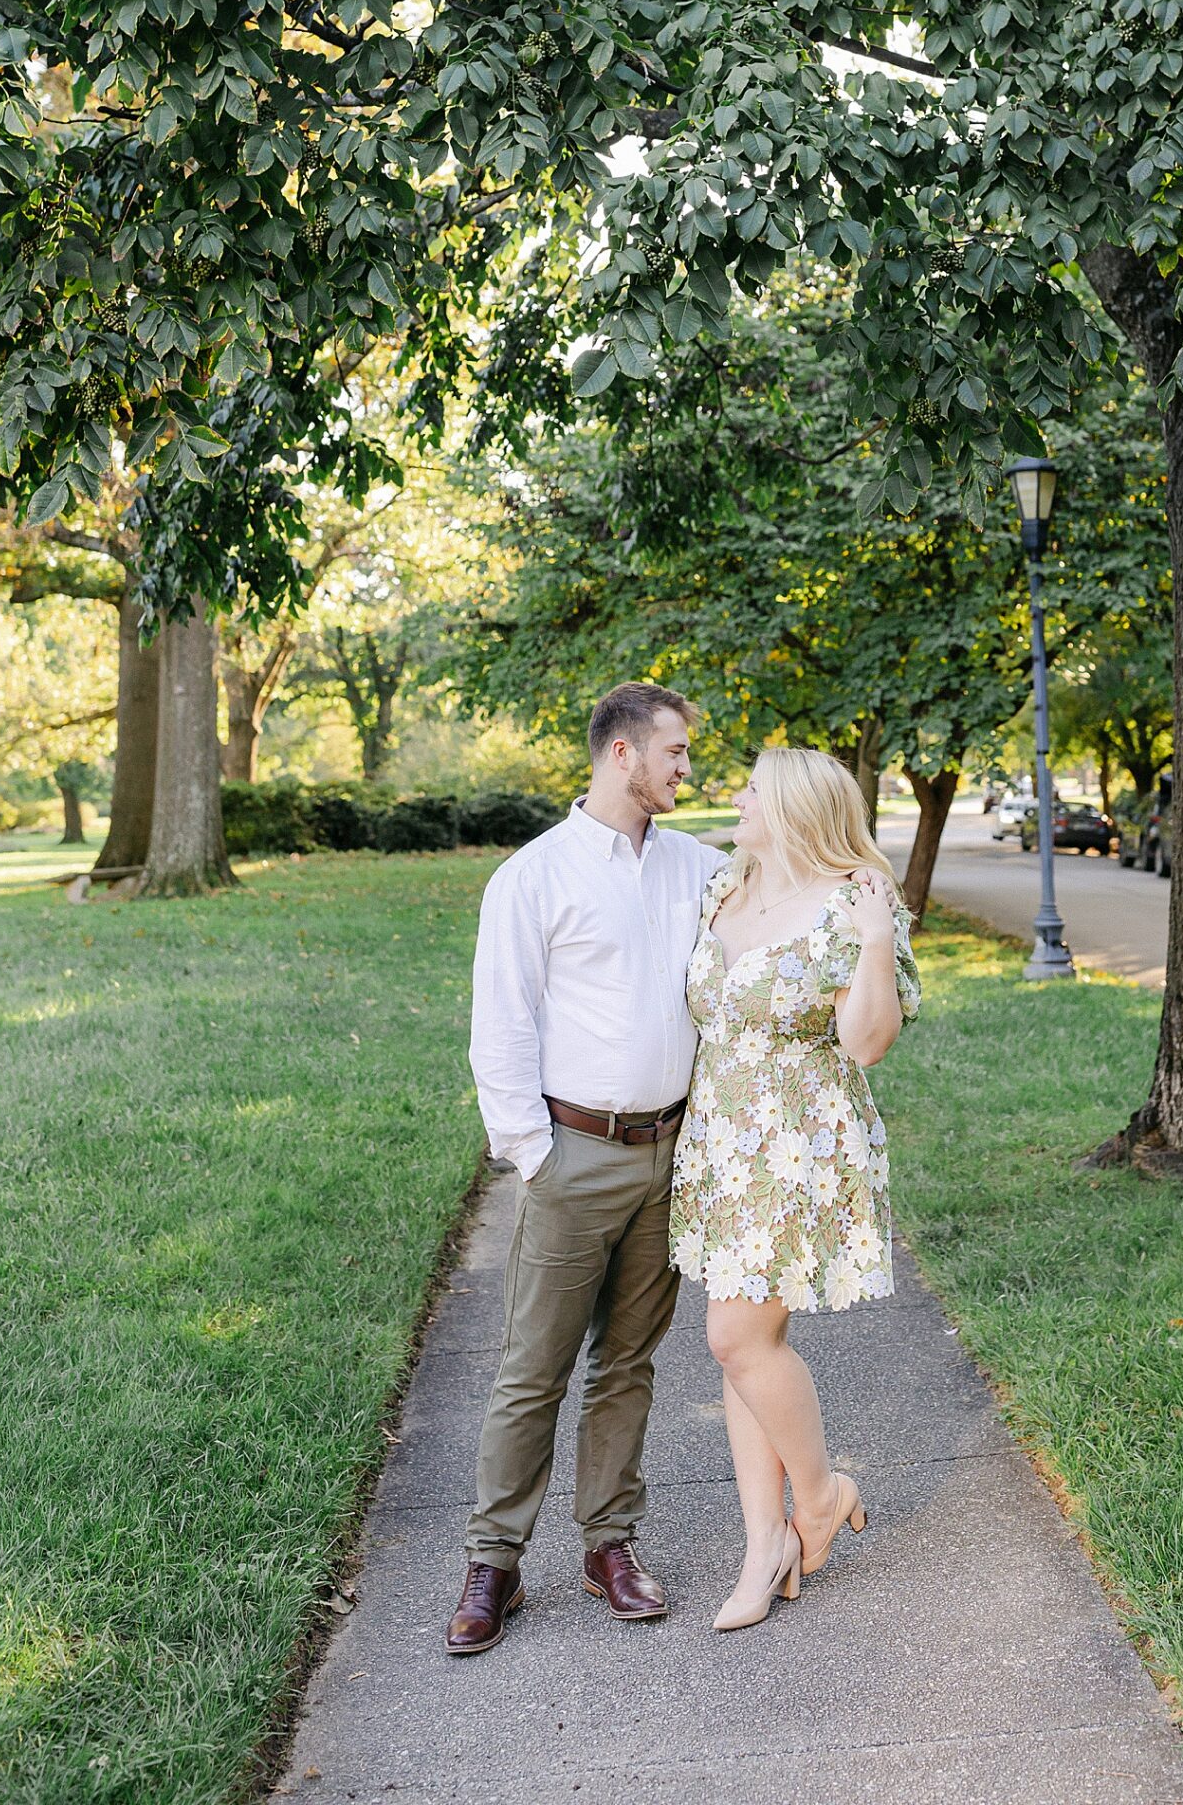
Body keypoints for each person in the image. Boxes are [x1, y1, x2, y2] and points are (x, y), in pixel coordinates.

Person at [448, 681, 728, 1656]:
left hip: (674, 1153)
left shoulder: (702, 868)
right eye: (677, 752)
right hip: (575, 1155)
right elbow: (502, 1025)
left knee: (629, 1364)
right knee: (534, 1369)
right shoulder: (534, 877)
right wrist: (536, 1155)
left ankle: (610, 1544)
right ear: (622, 754)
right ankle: (495, 1563)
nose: (688, 767)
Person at [670, 746, 920, 1633]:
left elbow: (867, 1042)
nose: (733, 800)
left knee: (736, 1336)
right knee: (743, 1347)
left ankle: (817, 1495)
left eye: (748, 790)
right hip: (721, 1142)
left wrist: (878, 944)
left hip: (799, 1144)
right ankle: (761, 1543)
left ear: (793, 806)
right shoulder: (721, 891)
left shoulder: (852, 898)